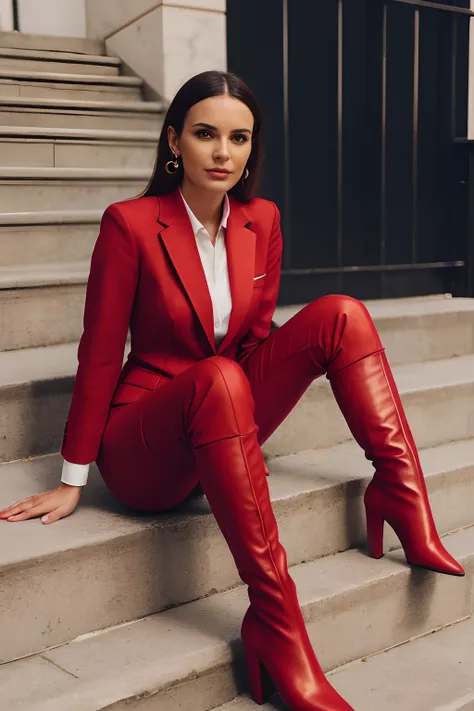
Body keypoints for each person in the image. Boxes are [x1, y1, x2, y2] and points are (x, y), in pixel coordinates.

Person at [0, 70, 464, 710]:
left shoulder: (261, 220)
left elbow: (250, 338)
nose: (223, 153)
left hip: (224, 413)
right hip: (147, 445)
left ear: (252, 149)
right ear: (174, 143)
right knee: (219, 377)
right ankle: (276, 620)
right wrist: (72, 475)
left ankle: (400, 488)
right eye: (205, 135)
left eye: (239, 138)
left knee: (342, 312)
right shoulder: (131, 225)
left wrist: (284, 360)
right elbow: (101, 354)